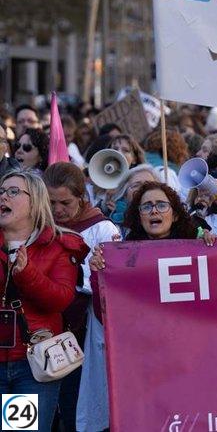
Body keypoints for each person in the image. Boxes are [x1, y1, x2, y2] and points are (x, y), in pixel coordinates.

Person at [0, 170, 88, 428]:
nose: (3, 197)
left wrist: (27, 274)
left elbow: (60, 299)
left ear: (35, 202)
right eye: (1, 191)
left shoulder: (57, 245)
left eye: (13, 191)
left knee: (20, 429)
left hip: (31, 365)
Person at [43, 163, 119, 432]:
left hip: (77, 336)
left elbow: (110, 283)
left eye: (65, 202)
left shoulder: (102, 229)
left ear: (81, 197)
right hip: (31, 336)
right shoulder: (31, 225)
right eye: (51, 202)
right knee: (26, 416)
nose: (57, 210)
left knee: (72, 409)